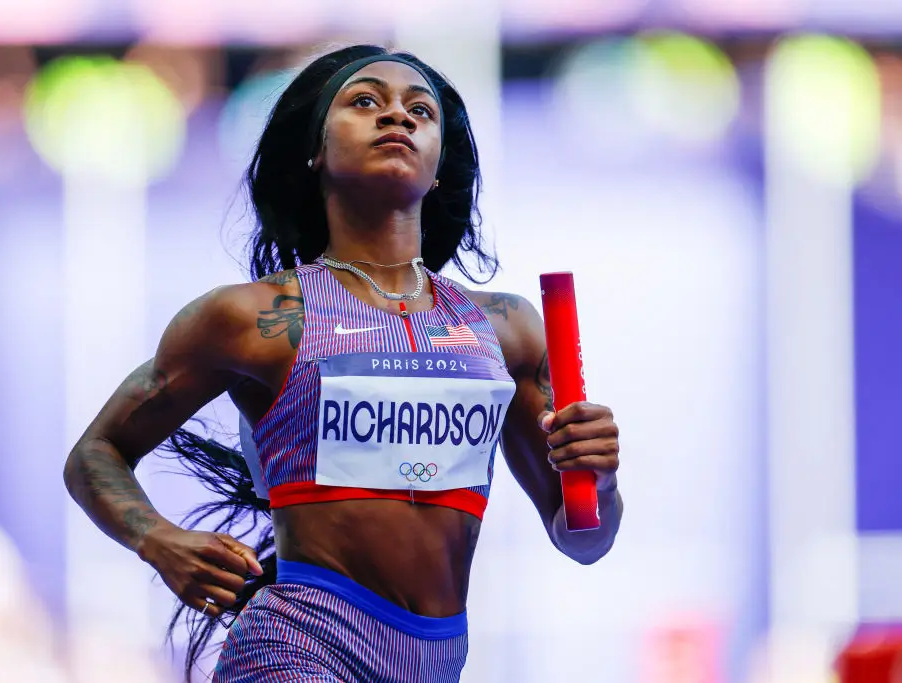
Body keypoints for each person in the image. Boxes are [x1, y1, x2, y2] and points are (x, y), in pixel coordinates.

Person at [63, 44, 623, 683]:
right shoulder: (253, 318)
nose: (398, 118)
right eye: (365, 102)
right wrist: (157, 540)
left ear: (439, 165)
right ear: (316, 152)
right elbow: (94, 453)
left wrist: (597, 478)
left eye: (421, 111)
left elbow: (584, 539)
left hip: (436, 659)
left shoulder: (508, 328)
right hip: (296, 650)